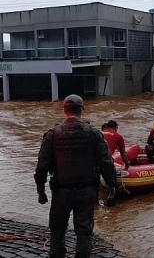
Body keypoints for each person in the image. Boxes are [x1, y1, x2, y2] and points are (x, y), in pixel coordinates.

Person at [34, 94, 116, 258]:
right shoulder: (93, 133)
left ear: (64, 110)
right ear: (80, 110)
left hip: (61, 191)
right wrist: (111, 186)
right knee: (84, 231)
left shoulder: (52, 134)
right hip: (86, 191)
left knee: (57, 229)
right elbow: (106, 162)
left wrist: (41, 191)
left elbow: (42, 166)